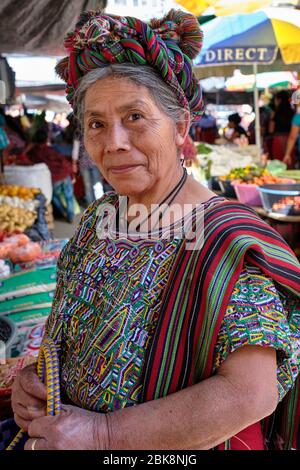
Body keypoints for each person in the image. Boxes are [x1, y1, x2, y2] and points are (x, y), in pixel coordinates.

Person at [9, 10, 300, 451]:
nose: (114, 143)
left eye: (135, 117)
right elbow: (68, 331)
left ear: (180, 126)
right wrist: (36, 383)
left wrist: (102, 435)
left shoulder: (225, 240)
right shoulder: (98, 219)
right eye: (96, 124)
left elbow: (249, 393)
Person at [27, 129, 75, 223]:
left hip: (53, 178)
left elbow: (25, 157)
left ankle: (64, 213)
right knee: (68, 196)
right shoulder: (52, 149)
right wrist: (72, 174)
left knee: (55, 197)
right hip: (64, 174)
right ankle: (71, 216)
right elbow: (63, 161)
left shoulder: (33, 152)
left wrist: (30, 146)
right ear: (46, 139)